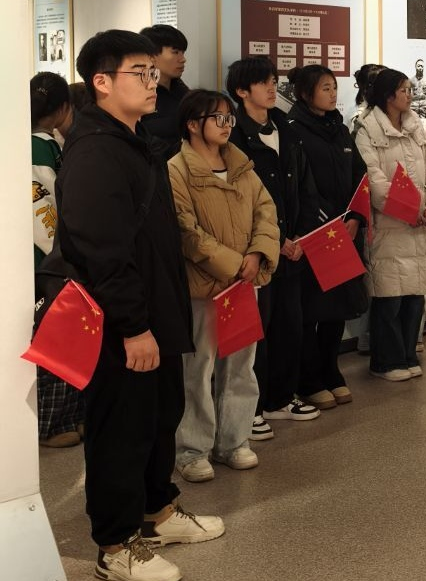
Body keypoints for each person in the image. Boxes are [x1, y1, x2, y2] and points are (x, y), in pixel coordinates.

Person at [57, 30, 223, 581]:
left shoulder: (134, 139)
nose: (154, 82)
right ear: (102, 81)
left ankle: (157, 512)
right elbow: (102, 250)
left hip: (158, 308)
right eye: (141, 72)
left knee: (159, 417)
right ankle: (115, 546)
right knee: (121, 430)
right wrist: (132, 327)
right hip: (121, 322)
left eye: (155, 72)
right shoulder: (94, 151)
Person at [169, 90, 279, 483]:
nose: (226, 125)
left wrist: (257, 254)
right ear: (192, 124)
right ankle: (192, 449)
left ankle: (234, 440)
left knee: (240, 366)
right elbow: (186, 231)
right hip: (204, 288)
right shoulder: (177, 170)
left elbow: (266, 212)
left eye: (228, 118)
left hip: (244, 284)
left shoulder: (241, 166)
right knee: (198, 370)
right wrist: (233, 264)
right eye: (217, 118)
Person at [226, 57, 323, 439]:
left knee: (290, 325)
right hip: (258, 249)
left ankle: (281, 398)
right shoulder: (234, 135)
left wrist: (301, 234)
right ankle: (251, 407)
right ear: (241, 91)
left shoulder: (286, 127)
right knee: (257, 332)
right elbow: (238, 200)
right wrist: (274, 240)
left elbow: (306, 187)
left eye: (273, 80)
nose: (271, 88)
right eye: (263, 82)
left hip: (293, 246)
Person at [354, 69, 426, 381]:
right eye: (404, 90)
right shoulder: (367, 129)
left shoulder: (415, 125)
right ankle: (385, 361)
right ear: (388, 95)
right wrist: (409, 210)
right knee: (389, 297)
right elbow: (374, 180)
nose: (410, 95)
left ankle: (408, 356)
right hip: (390, 226)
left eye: (409, 89)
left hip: (421, 224)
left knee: (414, 296)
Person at [286, 65, 369, 409]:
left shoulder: (340, 129)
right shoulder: (292, 130)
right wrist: (326, 222)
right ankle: (309, 378)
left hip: (344, 230)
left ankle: (330, 368)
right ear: (306, 93)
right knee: (311, 309)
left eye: (334, 87)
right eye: (325, 88)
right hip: (314, 232)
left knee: (338, 308)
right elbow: (299, 185)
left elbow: (360, 174)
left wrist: (356, 217)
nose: (333, 94)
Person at [30, 72, 83, 449]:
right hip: (50, 261)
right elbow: (44, 212)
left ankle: (67, 416)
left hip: (50, 259)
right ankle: (51, 423)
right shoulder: (40, 148)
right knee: (55, 340)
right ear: (64, 107)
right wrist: (62, 253)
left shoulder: (45, 145)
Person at [139, 24, 190, 159]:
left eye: (183, 53)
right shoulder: (139, 95)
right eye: (175, 52)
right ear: (152, 56)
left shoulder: (184, 93)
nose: (183, 59)